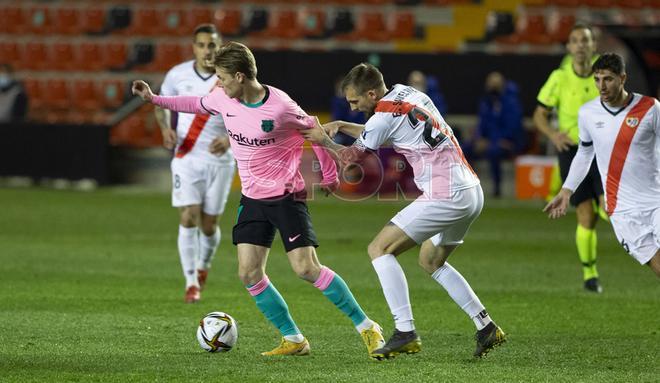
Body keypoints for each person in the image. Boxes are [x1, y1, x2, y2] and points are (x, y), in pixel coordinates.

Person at [132, 42, 385, 357]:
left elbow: (314, 130)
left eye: (223, 78)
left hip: (285, 196)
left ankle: (367, 327)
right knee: (249, 272)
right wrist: (153, 98)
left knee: (306, 268)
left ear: (239, 76)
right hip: (252, 198)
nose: (219, 84)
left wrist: (330, 175)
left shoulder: (280, 106)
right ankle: (293, 339)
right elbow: (194, 103)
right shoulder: (223, 98)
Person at [303, 63, 506, 359]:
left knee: (379, 249)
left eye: (355, 102)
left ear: (371, 93)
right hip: (470, 189)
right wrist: (344, 126)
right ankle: (486, 326)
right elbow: (381, 131)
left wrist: (324, 140)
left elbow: (350, 160)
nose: (354, 108)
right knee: (431, 260)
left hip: (445, 193)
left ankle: (405, 331)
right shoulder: (409, 94)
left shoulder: (381, 117)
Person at [544, 53, 660, 277]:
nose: (601, 86)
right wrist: (567, 190)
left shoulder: (650, 108)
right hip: (621, 209)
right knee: (654, 261)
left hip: (656, 199)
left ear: (623, 78)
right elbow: (585, 153)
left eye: (608, 79)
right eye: (597, 79)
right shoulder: (588, 113)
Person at [153, 24, 235, 304]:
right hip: (186, 156)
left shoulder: (232, 78)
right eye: (201, 45)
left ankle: (204, 265)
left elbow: (249, 114)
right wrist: (165, 129)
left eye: (212, 45)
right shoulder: (178, 74)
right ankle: (191, 283)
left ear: (220, 46)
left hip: (220, 161)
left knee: (209, 225)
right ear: (193, 47)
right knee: (188, 216)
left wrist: (229, 139)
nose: (207, 51)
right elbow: (161, 104)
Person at [533, 23, 605, 293]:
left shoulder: (605, 73)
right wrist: (553, 135)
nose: (581, 46)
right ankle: (590, 275)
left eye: (585, 40)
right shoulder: (559, 77)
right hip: (572, 151)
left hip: (602, 150)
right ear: (569, 47)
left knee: (609, 208)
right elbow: (539, 114)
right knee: (586, 215)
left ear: (593, 45)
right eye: (575, 41)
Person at [474, 71, 523, 197]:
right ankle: (465, 188)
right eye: (491, 84)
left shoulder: (510, 102)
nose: (493, 87)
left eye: (496, 84)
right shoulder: (486, 102)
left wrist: (493, 141)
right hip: (489, 140)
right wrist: (479, 138)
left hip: (507, 142)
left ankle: (497, 189)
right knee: (462, 150)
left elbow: (513, 127)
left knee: (493, 152)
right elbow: (482, 124)